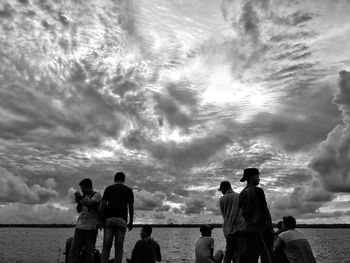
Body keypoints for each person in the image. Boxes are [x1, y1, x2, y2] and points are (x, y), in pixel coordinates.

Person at [239, 168, 274, 263]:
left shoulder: (241, 194)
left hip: (249, 231)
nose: (259, 179)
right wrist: (271, 228)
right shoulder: (258, 191)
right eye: (257, 176)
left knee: (252, 257)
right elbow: (265, 210)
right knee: (267, 256)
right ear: (251, 177)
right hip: (261, 230)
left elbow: (242, 214)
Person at [99, 171, 134, 263]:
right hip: (122, 220)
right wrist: (131, 221)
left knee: (106, 247)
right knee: (119, 247)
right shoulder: (129, 190)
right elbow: (131, 207)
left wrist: (100, 219)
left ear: (114, 179)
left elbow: (102, 205)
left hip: (109, 220)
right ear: (124, 180)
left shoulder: (108, 189)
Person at [69, 178, 101, 263]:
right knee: (74, 250)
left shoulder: (97, 195)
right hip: (79, 227)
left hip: (91, 228)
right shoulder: (83, 197)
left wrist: (80, 198)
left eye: (83, 188)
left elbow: (90, 204)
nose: (82, 191)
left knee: (89, 252)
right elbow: (79, 210)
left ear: (88, 187)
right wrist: (78, 200)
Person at [218, 181, 246, 263]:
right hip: (241, 228)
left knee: (229, 252)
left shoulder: (221, 199)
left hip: (229, 229)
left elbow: (224, 214)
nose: (221, 192)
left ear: (224, 188)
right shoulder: (239, 196)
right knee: (240, 252)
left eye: (221, 190)